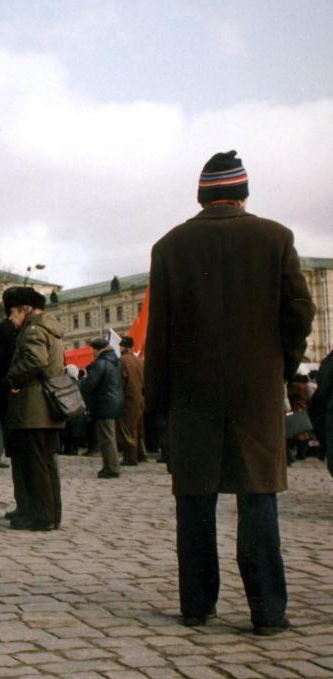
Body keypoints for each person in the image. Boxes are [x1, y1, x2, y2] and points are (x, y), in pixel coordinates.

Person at [144, 149, 315, 634]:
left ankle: (197, 605)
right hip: (255, 392)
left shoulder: (169, 247)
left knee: (194, 501)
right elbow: (300, 312)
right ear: (242, 194)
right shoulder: (275, 238)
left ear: (202, 197)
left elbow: (160, 336)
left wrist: (157, 404)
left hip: (192, 394)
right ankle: (267, 612)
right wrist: (282, 364)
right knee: (258, 497)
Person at [4, 288, 65, 531]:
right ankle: (52, 513)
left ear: (25, 309)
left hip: (33, 407)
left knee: (35, 464)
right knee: (47, 462)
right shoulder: (52, 328)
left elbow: (35, 360)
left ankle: (40, 517)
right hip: (48, 408)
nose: (10, 318)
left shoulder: (32, 329)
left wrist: (12, 378)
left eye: (12, 312)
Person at [0, 285, 30, 520]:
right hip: (26, 396)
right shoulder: (28, 329)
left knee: (6, 433)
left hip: (3, 392)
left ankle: (24, 504)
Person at [82, 337, 124, 478]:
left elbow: (90, 384)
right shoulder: (115, 361)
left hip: (104, 402)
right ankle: (111, 466)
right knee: (109, 436)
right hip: (113, 401)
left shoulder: (100, 363)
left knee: (106, 437)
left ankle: (111, 468)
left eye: (92, 350)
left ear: (96, 349)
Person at [118, 336, 146, 465]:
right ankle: (142, 455)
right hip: (140, 399)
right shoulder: (139, 360)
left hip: (129, 398)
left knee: (128, 429)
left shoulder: (122, 360)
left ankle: (130, 458)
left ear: (123, 347)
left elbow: (122, 380)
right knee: (139, 428)